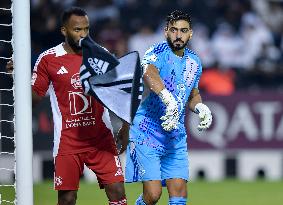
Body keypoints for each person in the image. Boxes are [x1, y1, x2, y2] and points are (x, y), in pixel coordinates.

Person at [7, 7, 128, 205]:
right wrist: (18, 78)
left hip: (101, 138)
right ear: (64, 30)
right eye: (77, 30)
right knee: (67, 199)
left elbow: (119, 93)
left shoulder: (101, 54)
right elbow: (34, 99)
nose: (83, 35)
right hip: (68, 141)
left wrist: (125, 126)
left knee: (117, 191)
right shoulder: (48, 59)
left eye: (86, 29)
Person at [125, 10, 212, 205]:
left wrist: (200, 108)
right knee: (153, 195)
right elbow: (149, 74)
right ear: (166, 32)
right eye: (173, 30)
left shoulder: (194, 62)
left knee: (179, 194)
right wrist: (168, 99)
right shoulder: (155, 52)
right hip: (147, 133)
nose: (178, 35)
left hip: (175, 136)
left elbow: (192, 93)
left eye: (183, 30)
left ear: (191, 34)